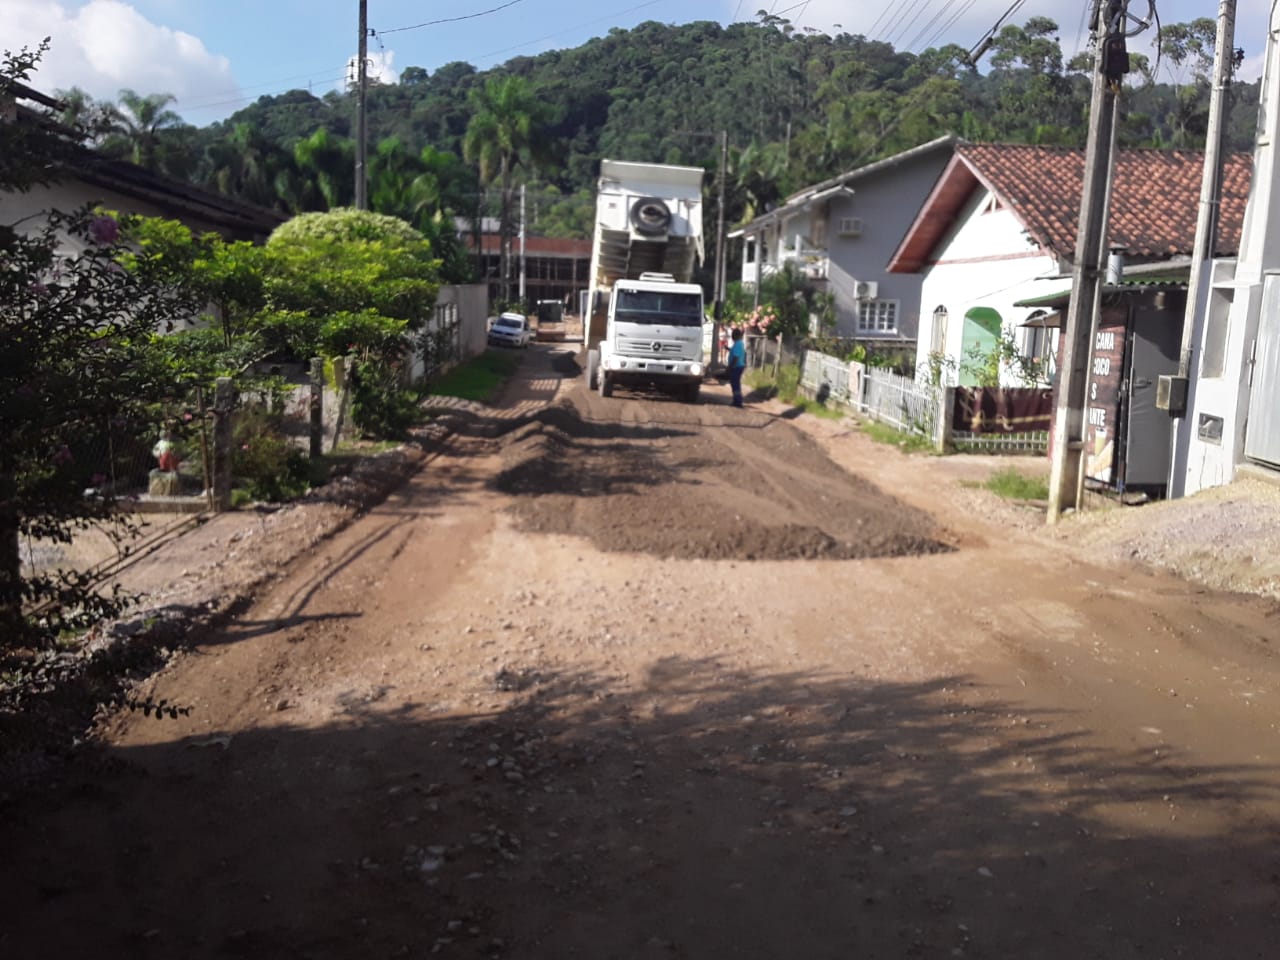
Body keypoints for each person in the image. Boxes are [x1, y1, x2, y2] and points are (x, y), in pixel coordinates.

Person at [727, 327, 747, 408]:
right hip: (738, 366)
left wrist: (729, 367)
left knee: (735, 384)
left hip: (736, 367)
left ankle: (738, 402)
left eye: (733, 335)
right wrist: (728, 349)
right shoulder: (738, 344)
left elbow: (736, 357)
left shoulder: (738, 344)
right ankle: (736, 401)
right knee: (735, 384)